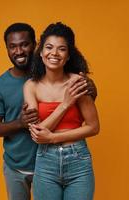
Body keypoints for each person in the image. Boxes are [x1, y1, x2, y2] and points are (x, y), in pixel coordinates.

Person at [0, 23, 97, 200]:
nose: (19, 51)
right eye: (12, 46)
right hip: (23, 163)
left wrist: (90, 88)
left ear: (34, 46)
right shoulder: (12, 86)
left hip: (68, 157)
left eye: (24, 44)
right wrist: (22, 123)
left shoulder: (73, 79)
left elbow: (91, 122)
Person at [23, 22, 100, 200]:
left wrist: (53, 137)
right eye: (49, 47)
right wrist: (65, 104)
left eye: (61, 49)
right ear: (41, 53)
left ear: (68, 56)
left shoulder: (78, 82)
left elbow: (94, 127)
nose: (54, 53)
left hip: (78, 160)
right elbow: (37, 133)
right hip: (45, 161)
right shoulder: (31, 86)